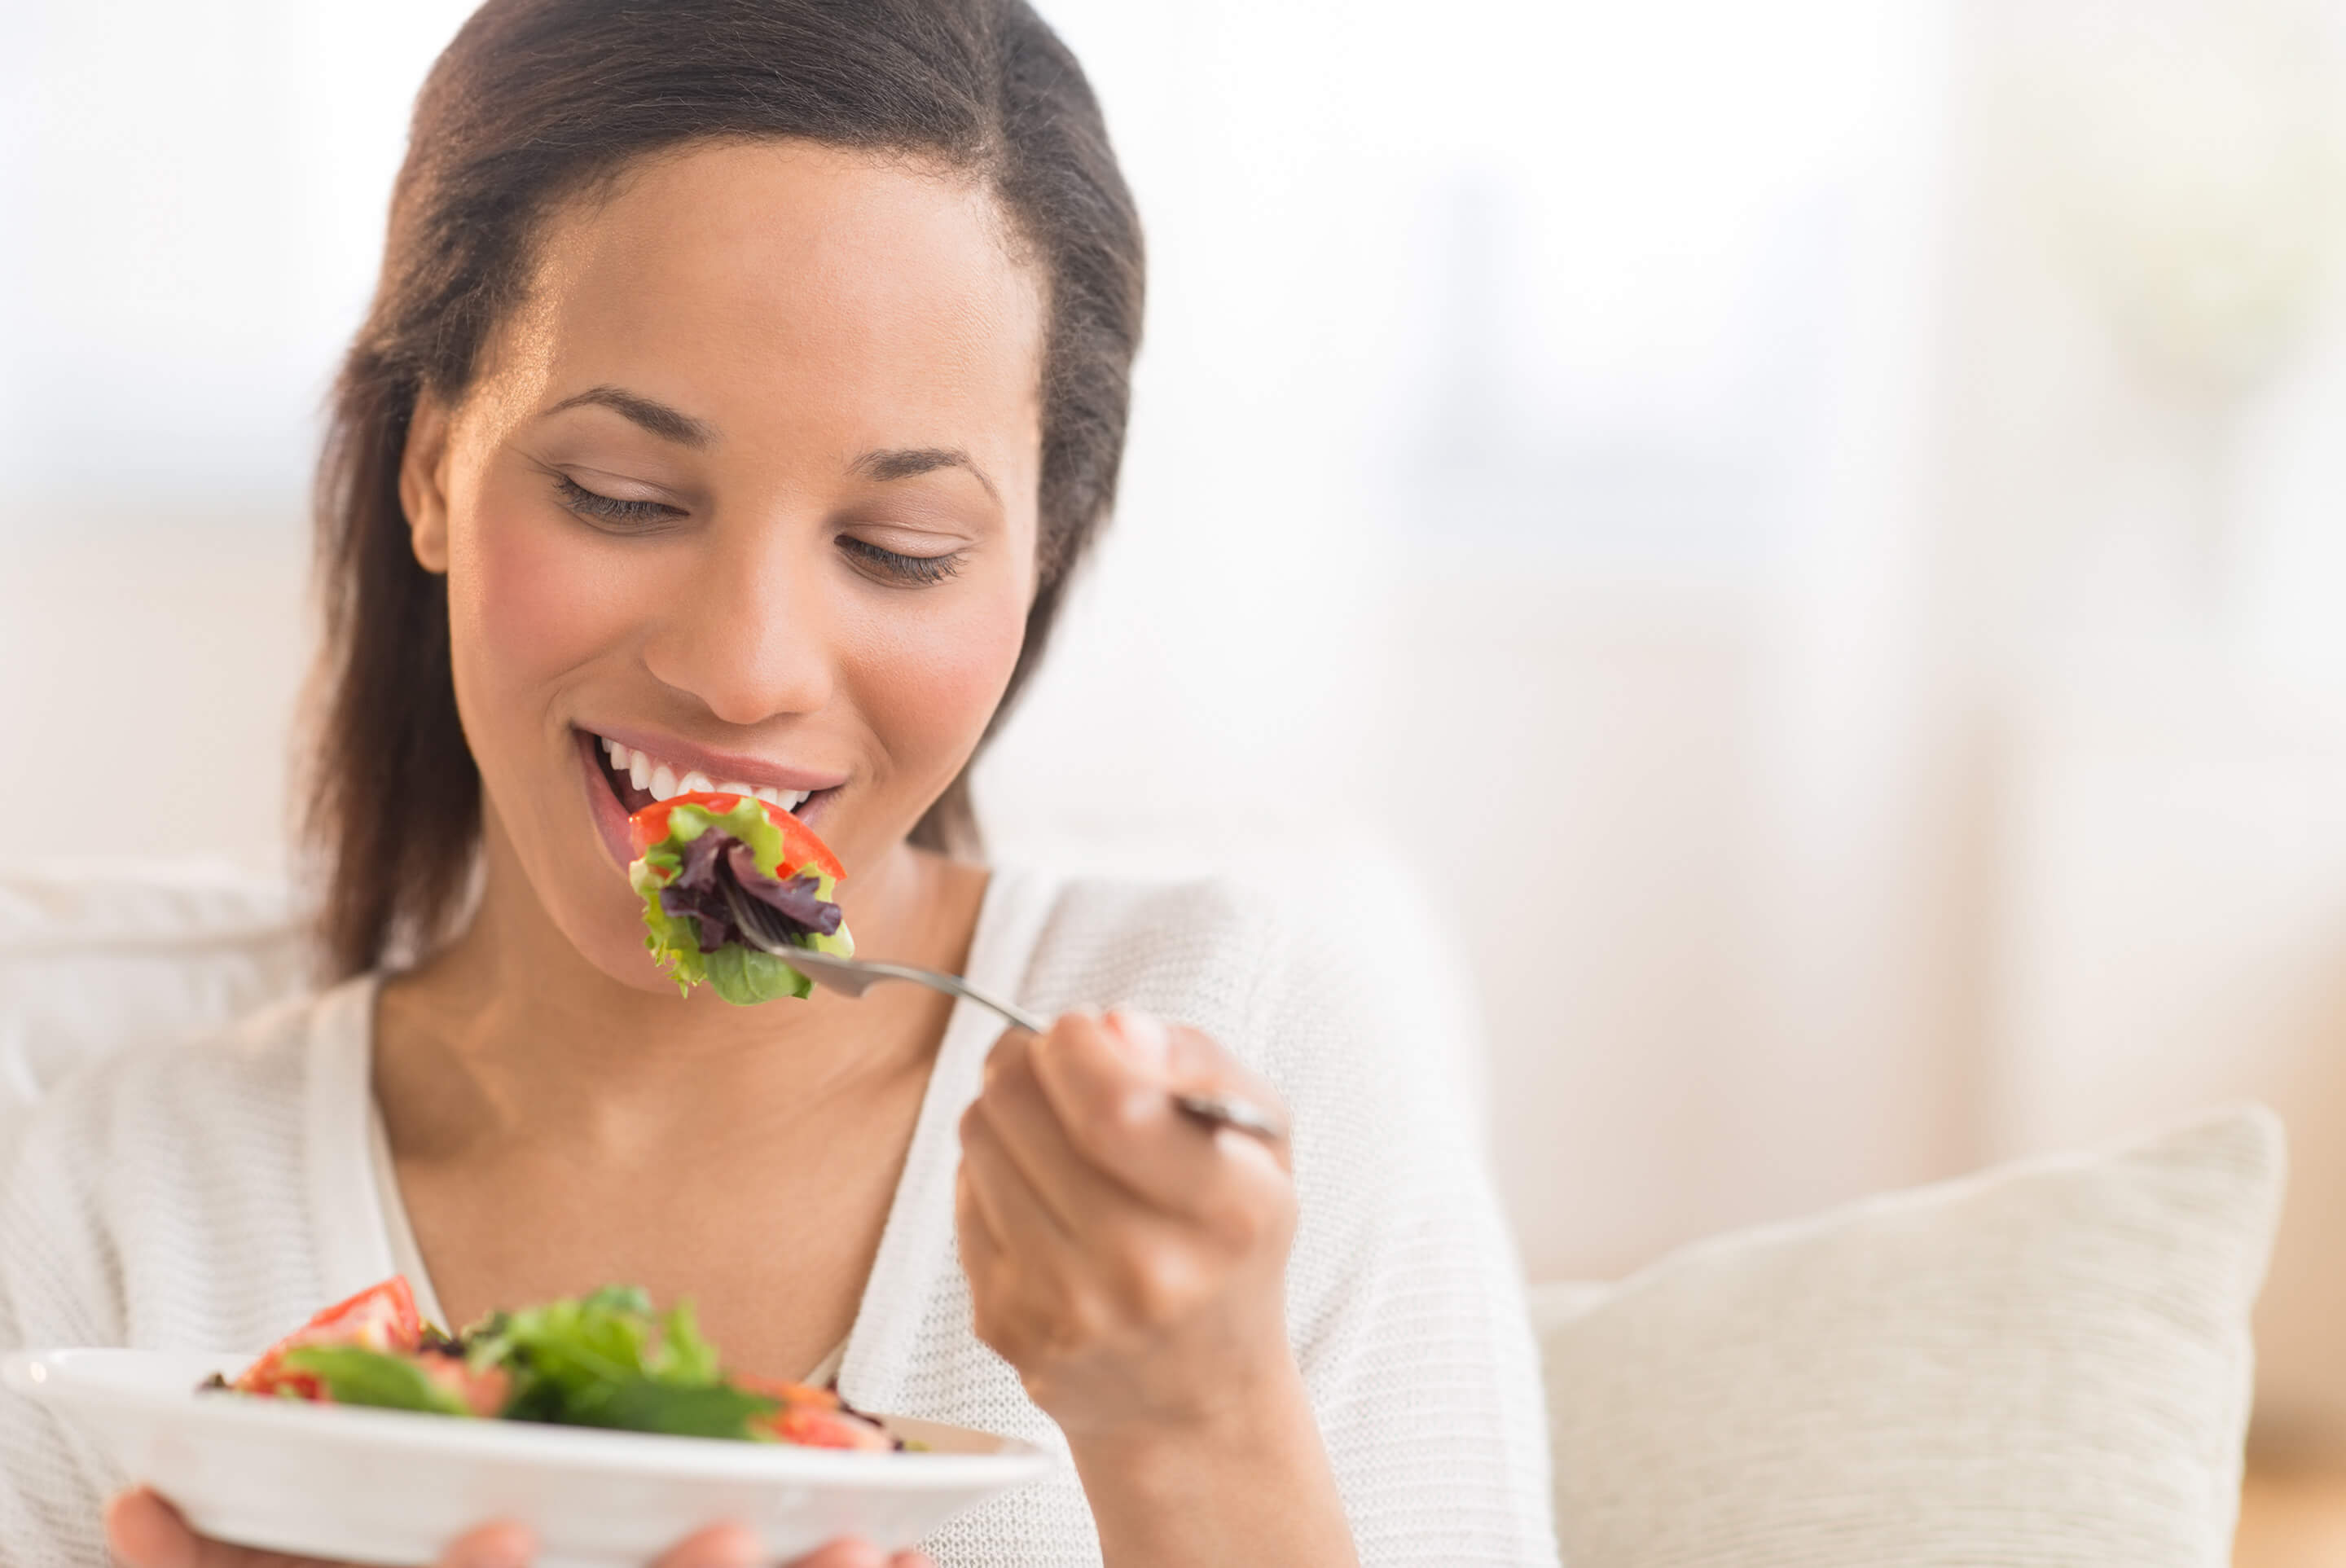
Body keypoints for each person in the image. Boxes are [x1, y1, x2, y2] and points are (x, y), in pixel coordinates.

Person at [0, 2, 1554, 1564]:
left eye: (899, 551)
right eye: (621, 497)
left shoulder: (1251, 1046)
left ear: (1036, 566)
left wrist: (1196, 1425)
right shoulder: (125, 1199)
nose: (746, 669)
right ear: (430, 469)